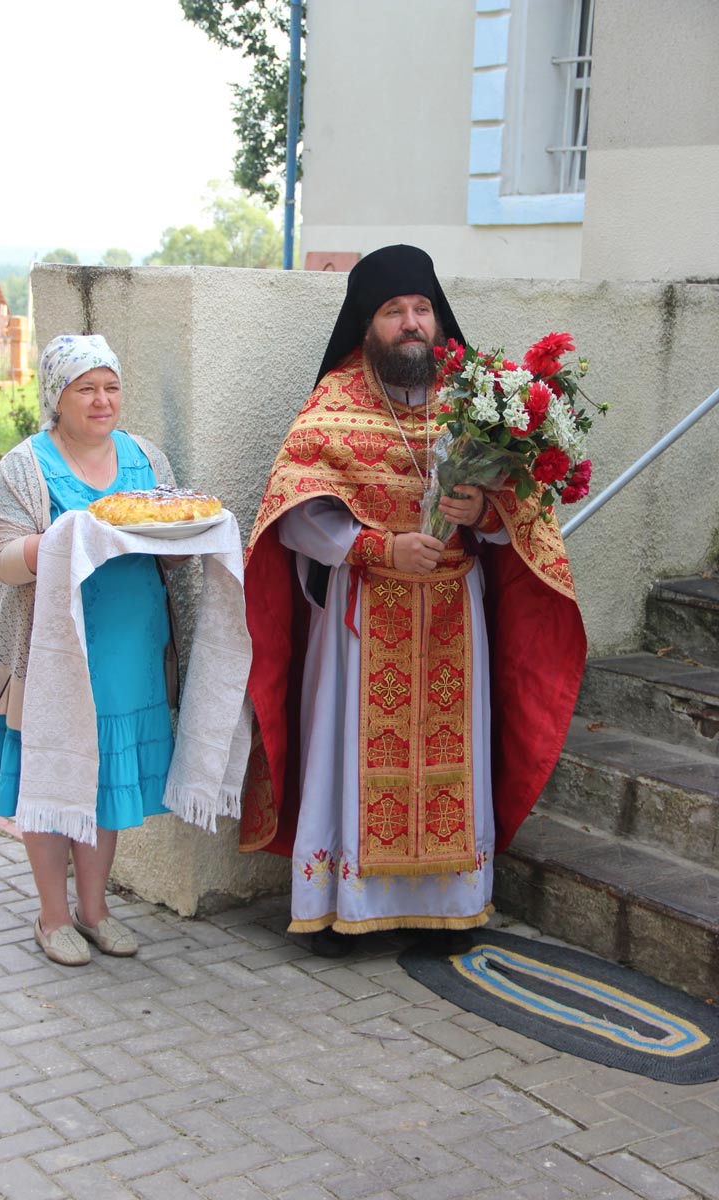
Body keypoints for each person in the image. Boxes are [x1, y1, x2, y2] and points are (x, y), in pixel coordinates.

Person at [240, 244, 586, 956]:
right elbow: (293, 517)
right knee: (348, 757)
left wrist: (484, 512)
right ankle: (341, 907)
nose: (411, 324)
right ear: (367, 325)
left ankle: (446, 906)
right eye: (393, 311)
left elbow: (521, 520)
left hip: (455, 613)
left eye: (422, 308)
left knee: (454, 760)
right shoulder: (334, 404)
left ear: (438, 317)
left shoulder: (477, 399)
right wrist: (377, 547)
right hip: (362, 618)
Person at [0, 334, 179, 966]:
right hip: (51, 652)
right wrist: (70, 536)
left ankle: (95, 911)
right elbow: (3, 561)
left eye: (111, 387)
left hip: (129, 650)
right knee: (51, 775)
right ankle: (52, 916)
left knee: (105, 780)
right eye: (85, 389)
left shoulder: (145, 456)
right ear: (55, 397)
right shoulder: (24, 467)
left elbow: (173, 537)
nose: (101, 401)